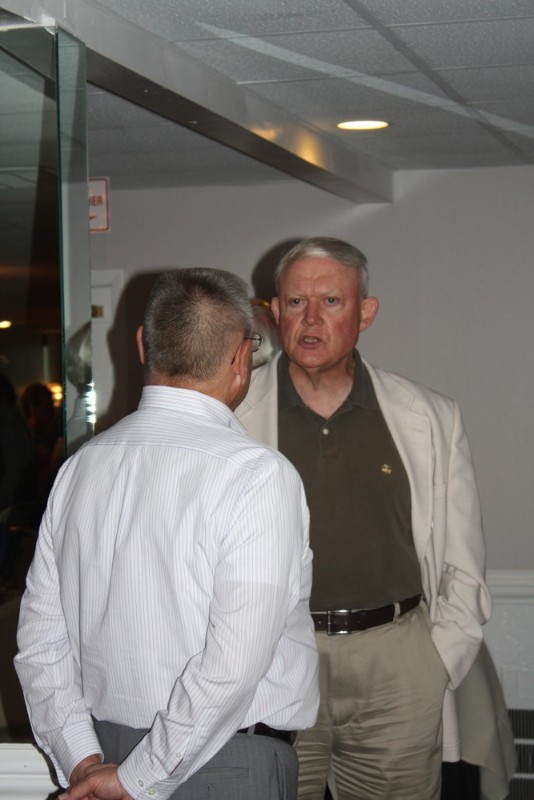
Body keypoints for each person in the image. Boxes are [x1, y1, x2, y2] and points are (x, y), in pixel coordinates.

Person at [15, 268, 319, 800]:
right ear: (241, 358)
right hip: (227, 766)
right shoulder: (258, 476)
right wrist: (135, 777)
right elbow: (233, 665)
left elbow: (41, 640)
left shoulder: (81, 467)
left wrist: (83, 759)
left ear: (142, 345)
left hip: (100, 755)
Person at [236, 237, 492, 800]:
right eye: (296, 302)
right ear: (275, 313)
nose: (311, 319)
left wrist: (436, 664)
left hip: (397, 665)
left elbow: (464, 561)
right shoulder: (231, 415)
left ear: (366, 313)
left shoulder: (432, 417)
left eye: (331, 301)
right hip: (274, 659)